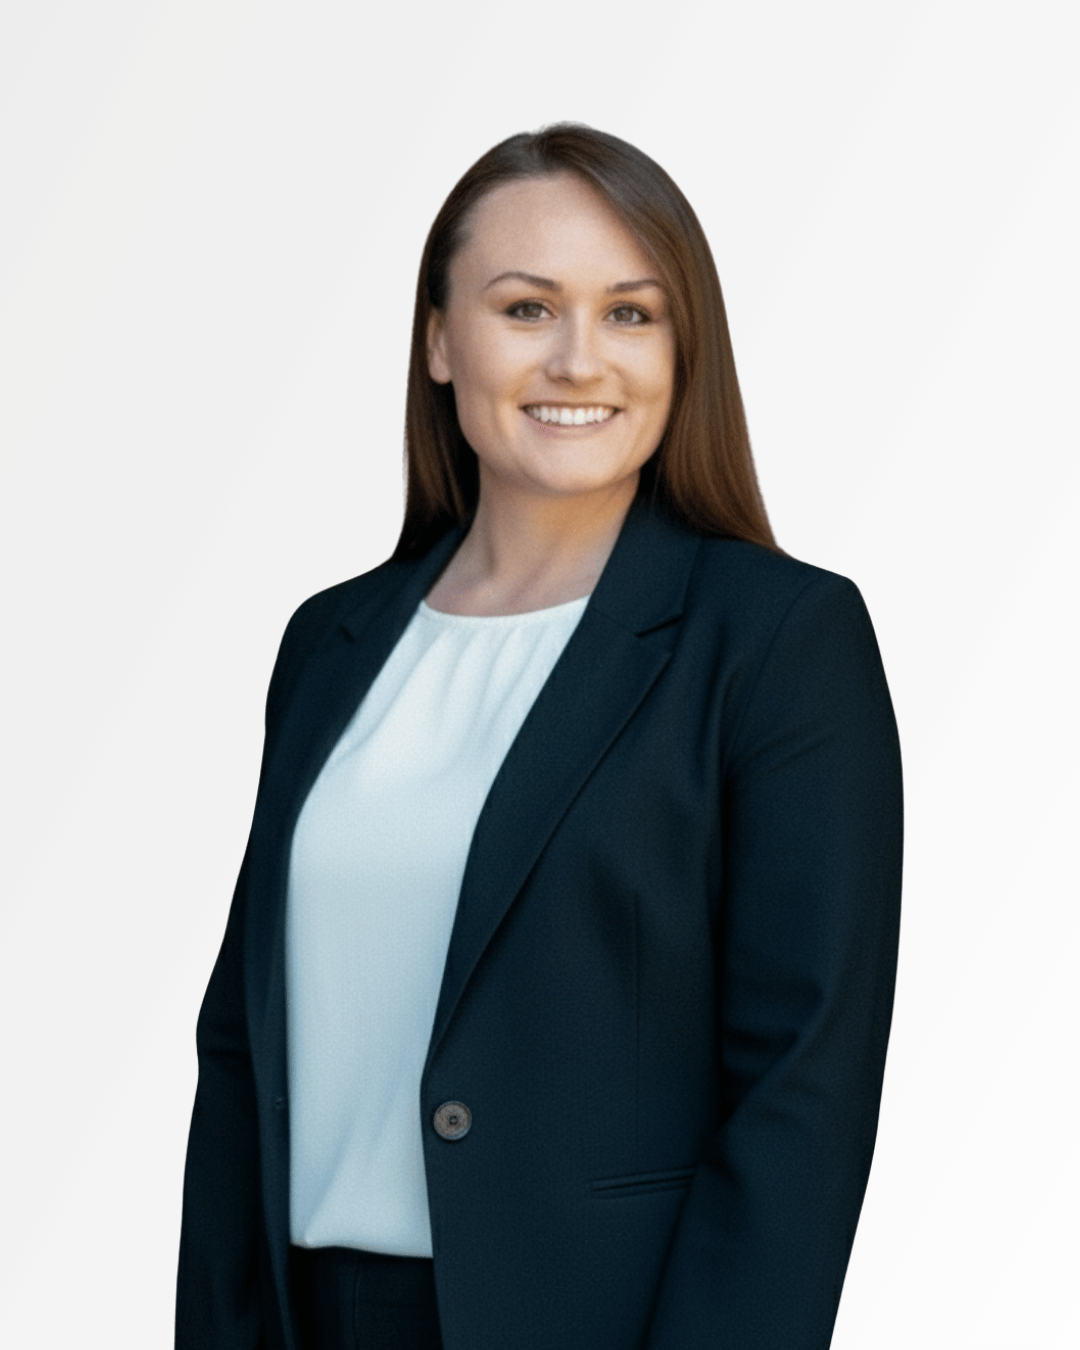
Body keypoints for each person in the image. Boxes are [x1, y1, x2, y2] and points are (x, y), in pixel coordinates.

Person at [175, 123, 903, 1350]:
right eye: (527, 308)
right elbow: (245, 1049)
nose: (581, 359)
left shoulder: (776, 640)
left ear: (685, 351)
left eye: (632, 314)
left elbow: (802, 1093)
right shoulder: (332, 644)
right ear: (440, 341)